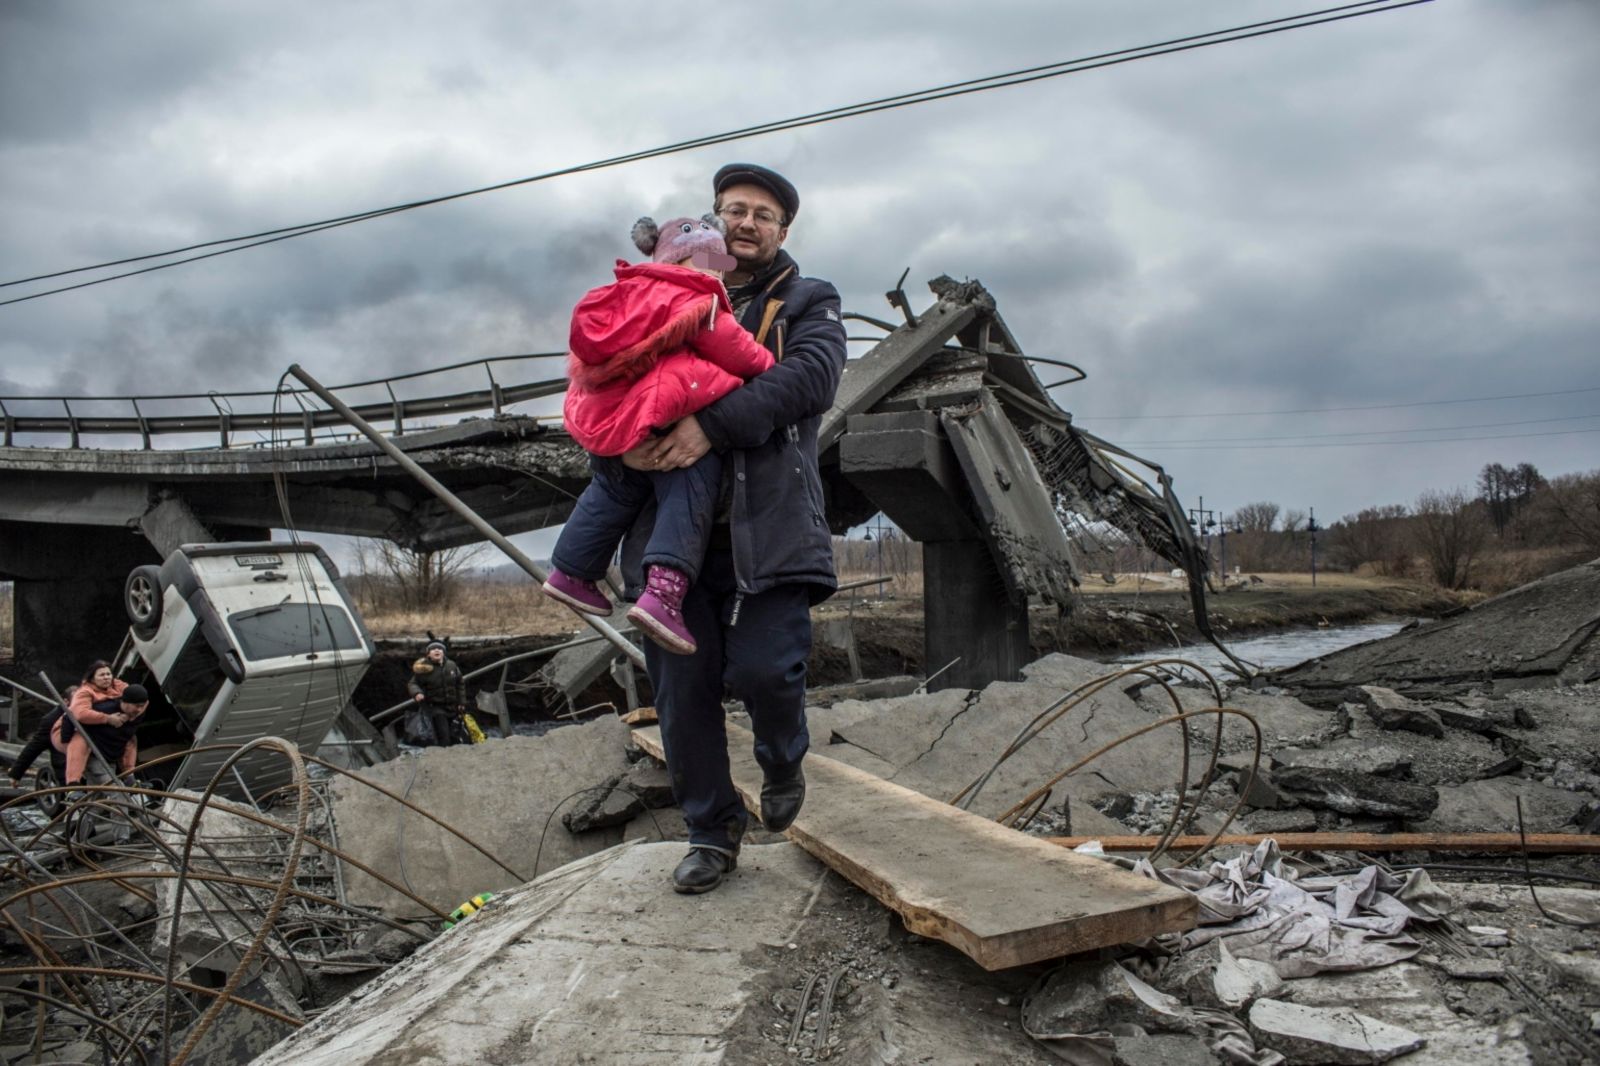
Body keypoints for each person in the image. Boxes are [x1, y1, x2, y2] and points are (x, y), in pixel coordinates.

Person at [621, 164, 847, 893]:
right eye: (732, 211)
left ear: (783, 231)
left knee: (763, 670)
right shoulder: (662, 290)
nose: (745, 223)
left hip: (770, 529)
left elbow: (809, 380)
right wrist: (621, 436)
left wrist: (708, 426)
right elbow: (608, 376)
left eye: (762, 214)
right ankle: (711, 833)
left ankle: (783, 757)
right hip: (670, 546)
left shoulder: (809, 300)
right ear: (712, 222)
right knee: (682, 696)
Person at [542, 214, 775, 655]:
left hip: (622, 416)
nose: (718, 272)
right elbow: (739, 352)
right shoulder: (695, 300)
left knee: (614, 488)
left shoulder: (630, 294)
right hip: (664, 411)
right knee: (689, 487)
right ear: (688, 260)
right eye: (712, 262)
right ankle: (664, 594)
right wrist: (769, 366)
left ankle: (570, 570)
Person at [54, 660, 128, 786]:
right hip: (70, 731)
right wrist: (108, 718)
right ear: (92, 678)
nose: (106, 677)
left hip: (98, 731)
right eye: (101, 675)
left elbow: (136, 697)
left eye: (108, 674)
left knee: (129, 736)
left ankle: (129, 775)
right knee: (80, 741)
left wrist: (127, 715)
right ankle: (73, 784)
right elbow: (80, 713)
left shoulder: (117, 685)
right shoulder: (84, 692)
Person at [59, 683, 150, 784]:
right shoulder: (104, 708)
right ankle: (72, 786)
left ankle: (129, 777)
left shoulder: (139, 712)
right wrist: (66, 740)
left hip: (111, 757)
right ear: (126, 702)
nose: (139, 710)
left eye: (142, 706)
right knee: (114, 790)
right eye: (137, 706)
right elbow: (70, 716)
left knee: (97, 794)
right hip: (95, 756)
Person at [406, 641, 466, 747]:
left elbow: (460, 683)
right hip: (435, 706)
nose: (437, 650)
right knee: (444, 734)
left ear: (444, 652)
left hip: (453, 706)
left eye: (440, 649)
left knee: (455, 733)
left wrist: (462, 702)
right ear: (428, 654)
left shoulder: (451, 665)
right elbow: (412, 683)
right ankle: (444, 752)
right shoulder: (424, 668)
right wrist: (417, 693)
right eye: (433, 649)